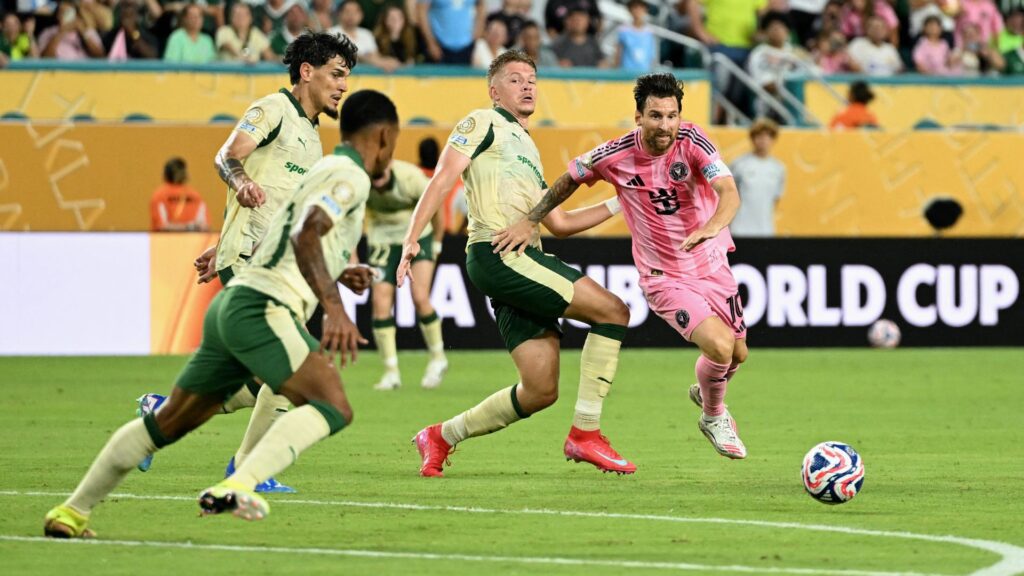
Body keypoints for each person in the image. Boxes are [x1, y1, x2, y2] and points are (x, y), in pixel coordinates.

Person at [42, 89, 397, 538]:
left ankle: (72, 511)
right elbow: (307, 234)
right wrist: (335, 308)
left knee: (167, 423)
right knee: (333, 404)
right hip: (266, 307)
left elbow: (286, 232)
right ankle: (240, 481)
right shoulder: (351, 175)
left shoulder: (318, 168)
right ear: (385, 136)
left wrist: (341, 270)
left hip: (232, 305)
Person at [138, 32, 359, 495]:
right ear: (306, 71)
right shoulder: (274, 110)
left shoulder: (313, 136)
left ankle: (163, 412)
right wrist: (238, 185)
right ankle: (247, 469)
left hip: (274, 265)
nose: (343, 85)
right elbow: (228, 156)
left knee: (257, 377)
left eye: (347, 77)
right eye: (337, 74)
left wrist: (221, 240)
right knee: (289, 370)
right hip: (252, 263)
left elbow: (279, 202)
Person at [397, 50, 635, 477]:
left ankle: (439, 436)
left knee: (540, 390)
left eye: (532, 79)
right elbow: (442, 178)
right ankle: (586, 434)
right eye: (515, 79)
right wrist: (412, 239)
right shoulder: (482, 122)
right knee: (613, 311)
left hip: (521, 260)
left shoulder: (527, 146)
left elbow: (558, 222)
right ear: (494, 90)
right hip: (498, 253)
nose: (527, 86)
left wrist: (622, 202)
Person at [494, 73, 749, 460]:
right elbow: (568, 179)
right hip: (664, 276)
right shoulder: (614, 155)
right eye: (655, 116)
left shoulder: (693, 141)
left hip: (712, 265)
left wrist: (712, 228)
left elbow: (728, 192)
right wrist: (533, 218)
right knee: (719, 345)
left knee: (737, 354)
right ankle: (714, 415)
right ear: (638, 116)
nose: (665, 125)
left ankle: (707, 391)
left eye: (671, 116)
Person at [366, 158, 448, 391]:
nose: (378, 186)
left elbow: (436, 204)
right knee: (380, 303)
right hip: (381, 238)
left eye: (381, 180)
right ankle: (391, 372)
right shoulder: (362, 180)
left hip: (417, 236)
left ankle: (438, 357)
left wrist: (438, 242)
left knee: (420, 298)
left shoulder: (409, 177)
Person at [729, 119, 785, 238]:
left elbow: (775, 199)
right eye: (759, 136)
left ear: (773, 140)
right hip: (740, 230)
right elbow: (728, 197)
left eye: (767, 136)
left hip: (766, 230)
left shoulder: (779, 169)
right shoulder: (738, 164)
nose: (763, 140)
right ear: (753, 138)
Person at [150, 157, 210, 232]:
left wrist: (186, 227)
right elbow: (204, 226)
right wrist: (190, 227)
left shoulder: (159, 194)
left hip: (166, 242)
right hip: (194, 241)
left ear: (165, 174)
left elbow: (162, 226)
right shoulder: (195, 195)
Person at [38, 0, 106, 60]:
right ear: (58, 16)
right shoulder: (48, 33)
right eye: (62, 12)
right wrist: (60, 33)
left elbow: (100, 56)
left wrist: (83, 33)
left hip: (84, 72)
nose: (65, 16)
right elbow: (45, 59)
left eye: (69, 13)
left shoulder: (88, 31)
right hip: (60, 72)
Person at [615, 0, 657, 73]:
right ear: (630, 9)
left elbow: (652, 57)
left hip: (644, 75)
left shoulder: (650, 32)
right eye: (635, 7)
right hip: (626, 74)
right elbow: (618, 55)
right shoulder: (623, 30)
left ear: (645, 10)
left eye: (641, 7)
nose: (638, 10)